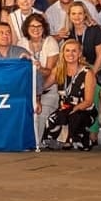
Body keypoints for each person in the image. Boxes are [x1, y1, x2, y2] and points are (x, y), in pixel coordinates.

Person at [40, 39, 96, 151]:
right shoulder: (58, 70)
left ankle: (78, 140)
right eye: (67, 51)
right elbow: (44, 86)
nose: (70, 54)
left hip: (83, 109)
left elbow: (88, 101)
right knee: (53, 118)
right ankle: (65, 140)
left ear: (80, 53)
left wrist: (73, 109)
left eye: (74, 51)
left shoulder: (87, 73)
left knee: (74, 117)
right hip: (64, 108)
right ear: (63, 53)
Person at [21, 13, 60, 145]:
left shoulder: (51, 42)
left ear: (44, 28)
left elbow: (50, 72)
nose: (36, 29)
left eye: (39, 26)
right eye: (32, 26)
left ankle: (35, 143)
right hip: (27, 92)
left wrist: (37, 68)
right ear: (27, 28)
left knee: (40, 115)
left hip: (48, 91)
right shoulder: (22, 42)